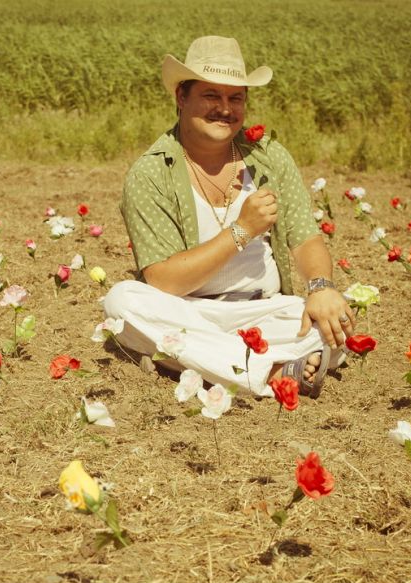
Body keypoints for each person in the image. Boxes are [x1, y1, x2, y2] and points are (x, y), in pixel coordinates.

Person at [103, 35, 354, 398]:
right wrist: (242, 230)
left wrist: (320, 287)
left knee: (333, 322)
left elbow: (304, 237)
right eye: (210, 95)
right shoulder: (151, 173)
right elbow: (163, 280)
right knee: (123, 302)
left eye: (235, 97)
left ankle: (194, 361)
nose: (225, 108)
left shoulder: (270, 158)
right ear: (181, 97)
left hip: (265, 311)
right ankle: (271, 372)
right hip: (188, 310)